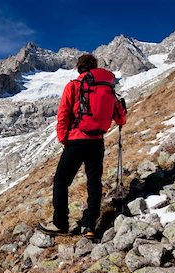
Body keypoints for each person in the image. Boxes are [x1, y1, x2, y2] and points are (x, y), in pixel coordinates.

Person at [38, 54, 127, 239]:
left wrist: (65, 139)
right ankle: (89, 226)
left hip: (77, 141)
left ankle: (60, 223)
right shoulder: (108, 88)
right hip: (97, 142)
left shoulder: (74, 86)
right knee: (93, 183)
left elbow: (63, 115)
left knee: (61, 181)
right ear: (95, 67)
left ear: (79, 68)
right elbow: (121, 119)